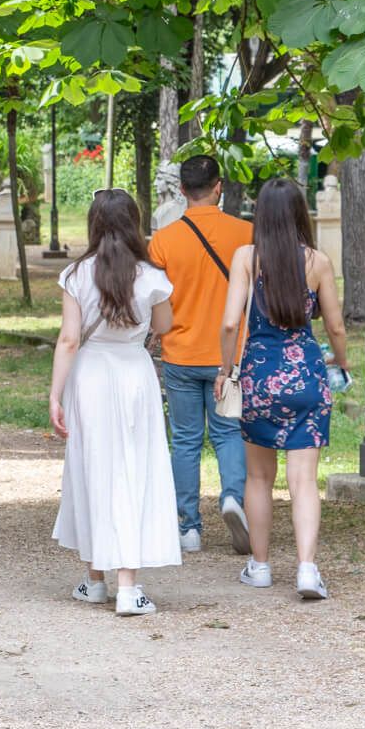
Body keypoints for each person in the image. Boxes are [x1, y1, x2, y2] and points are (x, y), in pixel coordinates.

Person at [49, 190, 180, 616]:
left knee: (92, 469)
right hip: (132, 371)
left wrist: (55, 394)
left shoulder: (76, 274)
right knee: (133, 468)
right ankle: (130, 585)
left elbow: (69, 339)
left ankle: (95, 580)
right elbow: (163, 326)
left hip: (89, 375)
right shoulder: (151, 275)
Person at [217, 178, 348, 601]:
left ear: (261, 214)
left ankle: (259, 566)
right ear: (299, 212)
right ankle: (307, 569)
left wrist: (226, 369)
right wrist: (341, 363)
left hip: (258, 375)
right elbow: (336, 325)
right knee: (304, 481)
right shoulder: (317, 262)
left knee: (258, 476)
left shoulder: (246, 258)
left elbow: (231, 323)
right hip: (307, 375)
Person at [148, 155, 253, 554]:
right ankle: (232, 499)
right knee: (228, 433)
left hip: (180, 351)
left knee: (186, 440)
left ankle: (189, 526)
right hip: (231, 353)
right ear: (218, 187)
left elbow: (157, 301)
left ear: (181, 190)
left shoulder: (163, 241)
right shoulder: (245, 233)